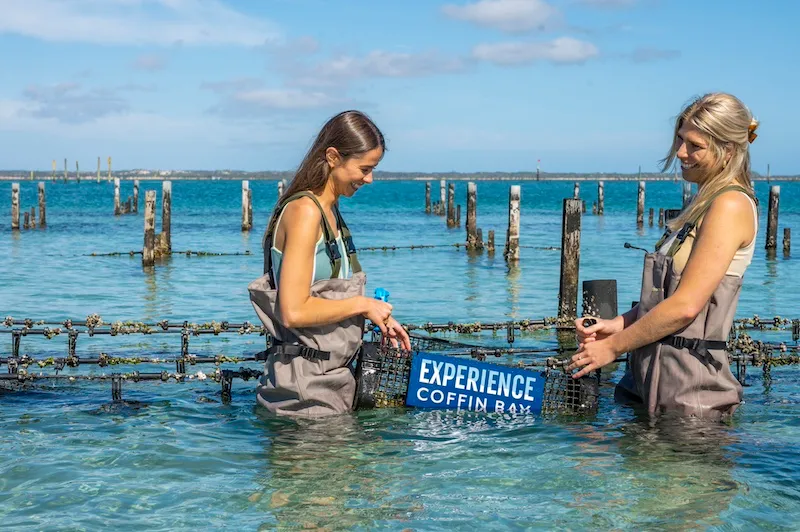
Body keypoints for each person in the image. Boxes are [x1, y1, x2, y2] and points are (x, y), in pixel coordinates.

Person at [568, 92, 759, 419]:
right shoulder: (702, 204)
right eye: (680, 140)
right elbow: (665, 298)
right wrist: (616, 325)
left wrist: (612, 348)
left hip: (692, 395)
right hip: (653, 380)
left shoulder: (730, 206)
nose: (681, 152)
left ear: (728, 151)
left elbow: (686, 306)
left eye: (695, 145)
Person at [248, 110, 411, 418]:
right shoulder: (305, 212)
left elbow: (330, 299)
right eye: (364, 168)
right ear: (333, 156)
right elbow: (292, 310)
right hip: (302, 391)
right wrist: (363, 305)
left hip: (331, 379)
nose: (369, 179)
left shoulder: (331, 212)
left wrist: (381, 317)